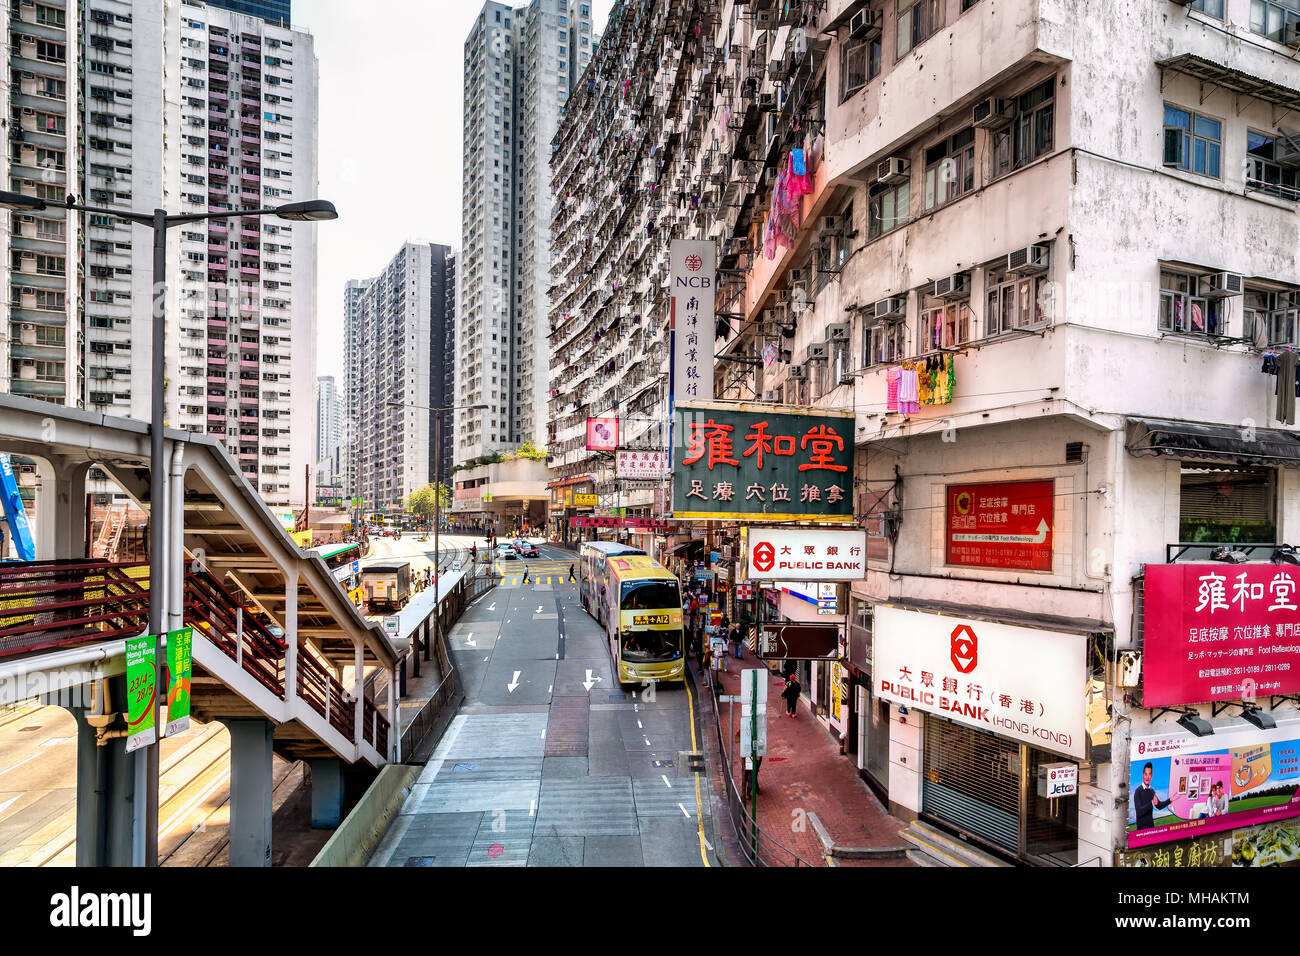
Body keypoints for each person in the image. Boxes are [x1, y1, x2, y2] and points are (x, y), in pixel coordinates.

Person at [1132, 762, 1173, 830]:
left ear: (1152, 776)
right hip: (1141, 830)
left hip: (1151, 828)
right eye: (1146, 774)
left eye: (1149, 774)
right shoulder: (1138, 791)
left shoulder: (1152, 791)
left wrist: (1171, 799)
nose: (1147, 777)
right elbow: (1139, 812)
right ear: (1143, 775)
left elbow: (1159, 806)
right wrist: (1151, 803)